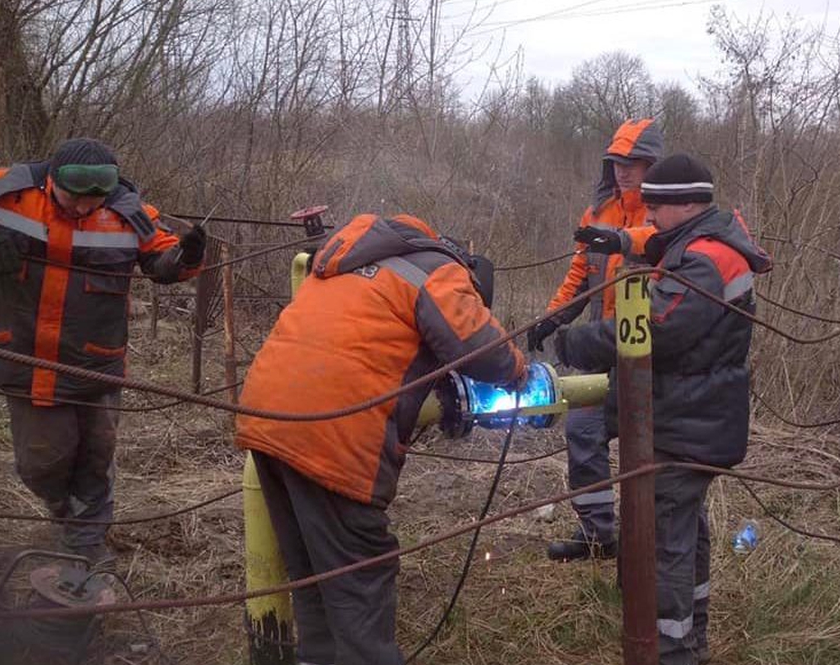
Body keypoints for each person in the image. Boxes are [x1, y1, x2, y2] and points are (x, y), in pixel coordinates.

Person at [234, 213, 527, 665]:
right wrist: (520, 372)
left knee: (312, 575)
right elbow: (480, 349)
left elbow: (368, 342)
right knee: (359, 580)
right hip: (331, 434)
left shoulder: (355, 257)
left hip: (265, 419)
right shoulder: (439, 270)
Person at [553, 153, 772, 665]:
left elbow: (654, 325)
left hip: (684, 424)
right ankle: (690, 641)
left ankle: (666, 650)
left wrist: (576, 343)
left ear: (687, 204)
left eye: (656, 207)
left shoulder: (703, 260)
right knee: (685, 533)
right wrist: (620, 243)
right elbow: (654, 248)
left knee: (661, 544)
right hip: (700, 419)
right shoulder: (710, 241)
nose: (648, 217)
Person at [0, 138, 206, 565]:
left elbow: (162, 259)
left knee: (95, 456)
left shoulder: (127, 213)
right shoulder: (8, 195)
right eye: (72, 200)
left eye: (91, 202)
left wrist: (188, 255)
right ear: (51, 181)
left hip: (97, 361)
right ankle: (68, 518)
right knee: (42, 462)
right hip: (28, 357)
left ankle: (86, 549)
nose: (80, 210)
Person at [529, 117, 664, 562]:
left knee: (654, 446)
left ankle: (656, 539)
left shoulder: (667, 208)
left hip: (654, 353)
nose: (623, 171)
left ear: (652, 165)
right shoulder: (598, 212)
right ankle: (597, 535)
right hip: (603, 347)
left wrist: (622, 240)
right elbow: (579, 275)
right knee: (583, 428)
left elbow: (664, 241)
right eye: (616, 162)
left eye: (633, 162)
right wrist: (552, 319)